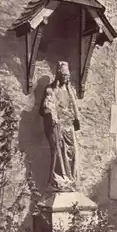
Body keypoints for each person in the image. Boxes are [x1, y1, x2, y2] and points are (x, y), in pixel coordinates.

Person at [39, 61, 80, 191]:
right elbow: (44, 109)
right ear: (58, 75)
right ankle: (58, 179)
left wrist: (74, 117)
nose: (66, 78)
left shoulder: (70, 91)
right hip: (58, 127)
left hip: (69, 127)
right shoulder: (51, 90)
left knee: (72, 152)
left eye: (67, 75)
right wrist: (51, 111)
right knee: (58, 152)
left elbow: (74, 108)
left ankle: (70, 179)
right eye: (63, 75)